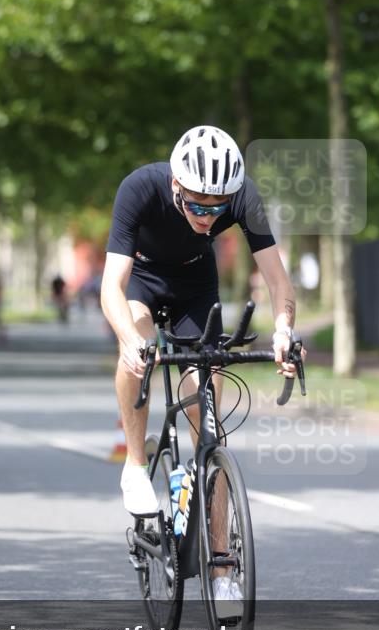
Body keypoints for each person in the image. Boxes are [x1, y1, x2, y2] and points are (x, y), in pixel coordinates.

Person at [100, 126, 301, 524]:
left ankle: (222, 571)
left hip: (196, 282)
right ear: (176, 184)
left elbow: (278, 280)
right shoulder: (139, 188)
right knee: (138, 348)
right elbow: (111, 285)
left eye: (217, 209)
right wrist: (127, 339)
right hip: (143, 276)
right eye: (197, 207)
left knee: (209, 414)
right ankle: (136, 464)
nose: (207, 218)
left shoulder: (243, 196)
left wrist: (283, 331)